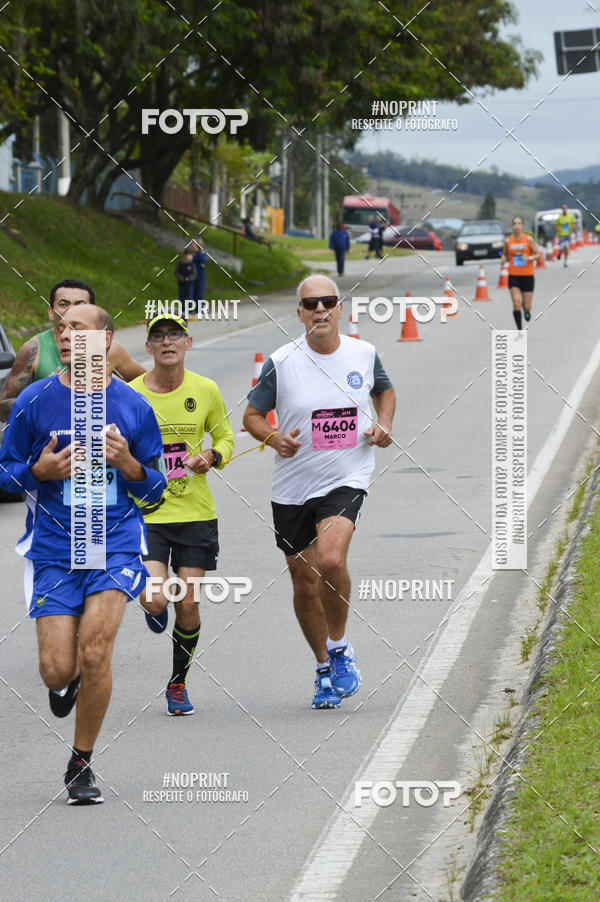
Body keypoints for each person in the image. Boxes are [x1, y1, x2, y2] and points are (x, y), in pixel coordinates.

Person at [0, 304, 165, 804]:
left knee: (95, 651)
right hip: (54, 548)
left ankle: (80, 763)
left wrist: (130, 465)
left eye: (79, 329)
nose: (66, 336)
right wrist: (38, 473)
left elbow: (157, 492)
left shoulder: (133, 407)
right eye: (60, 329)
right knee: (57, 668)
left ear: (107, 338)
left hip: (112, 542)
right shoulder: (35, 400)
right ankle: (63, 684)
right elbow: (4, 473)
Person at [242, 274, 395, 709]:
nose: (320, 310)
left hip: (346, 476)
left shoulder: (363, 354)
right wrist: (273, 438)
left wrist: (384, 424)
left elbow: (384, 391)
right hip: (292, 486)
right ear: (300, 314)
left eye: (328, 301)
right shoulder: (282, 360)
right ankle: (323, 666)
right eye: (311, 304)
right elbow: (251, 416)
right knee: (304, 582)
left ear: (340, 307)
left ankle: (341, 647)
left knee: (330, 559)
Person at [132, 313, 234, 716]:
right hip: (148, 513)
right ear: (149, 347)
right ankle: (154, 610)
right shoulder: (132, 393)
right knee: (157, 600)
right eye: (159, 336)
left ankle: (177, 682)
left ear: (188, 343)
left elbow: (225, 435)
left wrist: (211, 455)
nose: (167, 341)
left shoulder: (205, 390)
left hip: (195, 513)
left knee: (187, 603)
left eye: (175, 334)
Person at [0, 279, 145, 422]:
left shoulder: (111, 350)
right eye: (64, 304)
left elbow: (152, 386)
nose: (71, 310)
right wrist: (43, 398)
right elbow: (2, 410)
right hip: (50, 441)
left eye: (80, 304)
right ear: (51, 312)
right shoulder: (33, 349)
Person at [500, 216, 538, 330]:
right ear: (512, 226)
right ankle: (519, 330)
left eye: (519, 223)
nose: (517, 226)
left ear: (523, 226)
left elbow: (538, 254)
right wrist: (503, 258)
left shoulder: (529, 240)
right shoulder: (508, 241)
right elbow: (504, 254)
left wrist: (530, 257)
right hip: (514, 275)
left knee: (526, 306)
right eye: (515, 224)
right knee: (516, 302)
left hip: (528, 276)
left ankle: (526, 311)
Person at [555, 203, 576, 268]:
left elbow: (573, 223)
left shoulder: (570, 216)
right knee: (561, 248)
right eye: (563, 208)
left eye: (565, 208)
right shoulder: (560, 217)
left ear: (567, 208)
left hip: (567, 235)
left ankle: (565, 262)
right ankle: (560, 253)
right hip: (561, 235)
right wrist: (558, 229)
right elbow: (556, 225)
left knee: (566, 248)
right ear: (562, 209)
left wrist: (571, 227)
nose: (564, 209)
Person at [191, 240, 208, 313]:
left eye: (194, 244)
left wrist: (197, 251)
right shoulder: (192, 253)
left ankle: (201, 309)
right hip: (193, 276)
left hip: (200, 276)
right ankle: (196, 309)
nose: (192, 245)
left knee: (199, 293)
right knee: (193, 293)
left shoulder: (201, 252)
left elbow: (203, 260)